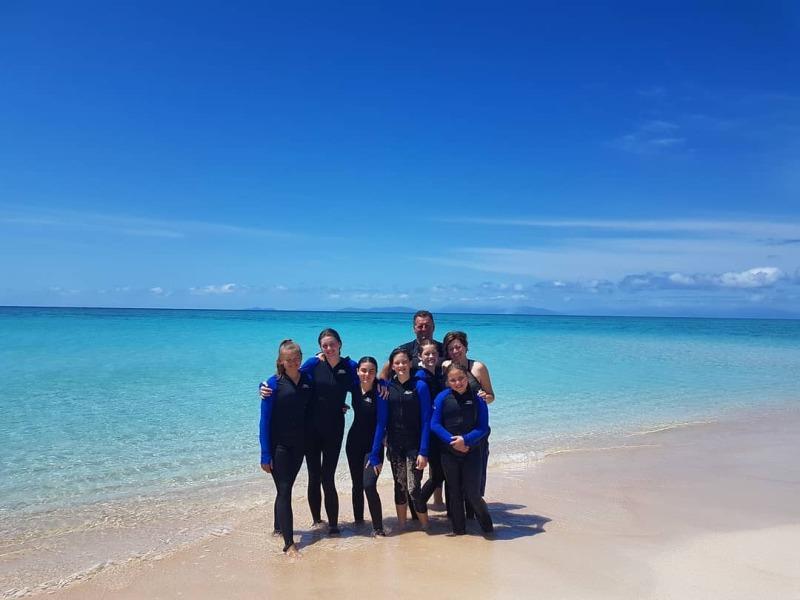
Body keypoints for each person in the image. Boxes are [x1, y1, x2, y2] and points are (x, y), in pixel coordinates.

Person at [259, 328, 357, 535]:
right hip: (310, 430)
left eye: (332, 344)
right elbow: (288, 376)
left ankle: (333, 525)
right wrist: (263, 386)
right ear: (320, 347)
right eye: (324, 345)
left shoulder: (349, 367)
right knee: (314, 475)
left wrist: (384, 386)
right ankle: (316, 520)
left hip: (334, 429)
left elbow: (367, 378)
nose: (329, 348)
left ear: (340, 344)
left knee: (328, 477)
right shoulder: (313, 365)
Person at [259, 339, 314, 556]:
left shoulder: (307, 379)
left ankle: (277, 528)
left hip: (299, 445)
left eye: (296, 358)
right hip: (278, 446)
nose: (293, 362)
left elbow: (316, 402)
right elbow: (264, 421)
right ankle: (289, 544)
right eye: (288, 359)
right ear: (281, 361)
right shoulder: (272, 385)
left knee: (286, 487)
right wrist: (265, 454)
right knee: (284, 490)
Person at [371, 347, 432, 531]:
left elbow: (426, 420)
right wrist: (375, 452)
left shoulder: (420, 386)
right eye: (397, 363)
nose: (401, 365)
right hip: (395, 445)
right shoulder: (386, 388)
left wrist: (424, 451)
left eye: (404, 362)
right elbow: (381, 421)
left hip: (415, 445)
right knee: (400, 486)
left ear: (410, 363)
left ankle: (426, 527)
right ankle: (402, 528)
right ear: (392, 366)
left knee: (414, 488)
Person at [431, 362, 493, 535]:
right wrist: (453, 442)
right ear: (447, 381)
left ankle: (488, 528)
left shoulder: (478, 398)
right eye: (453, 380)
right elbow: (434, 424)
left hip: (472, 451)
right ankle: (459, 531)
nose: (458, 383)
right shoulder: (442, 397)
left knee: (473, 493)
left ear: (467, 378)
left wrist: (465, 440)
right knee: (455, 492)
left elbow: (483, 427)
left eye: (461, 378)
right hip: (449, 452)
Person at [440, 330, 495, 498]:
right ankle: (455, 512)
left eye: (458, 347)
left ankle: (475, 509)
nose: (455, 351)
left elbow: (491, 396)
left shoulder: (478, 368)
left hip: (476, 429)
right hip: (453, 431)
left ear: (465, 347)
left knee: (476, 477)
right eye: (450, 348)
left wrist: (484, 398)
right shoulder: (445, 367)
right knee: (454, 481)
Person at [345, 356, 389, 536]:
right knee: (356, 484)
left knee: (369, 485)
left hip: (374, 446)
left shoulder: (380, 391)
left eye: (371, 371)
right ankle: (359, 524)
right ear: (357, 371)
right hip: (353, 443)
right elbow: (331, 388)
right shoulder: (354, 386)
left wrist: (375, 454)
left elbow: (381, 423)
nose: (367, 374)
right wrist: (321, 356)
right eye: (363, 370)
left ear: (376, 372)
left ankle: (378, 529)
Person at [415, 339, 446, 509]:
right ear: (420, 356)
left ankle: (419, 506)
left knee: (439, 472)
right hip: (426, 430)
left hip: (440, 429)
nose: (431, 356)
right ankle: (419, 504)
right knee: (435, 474)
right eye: (426, 354)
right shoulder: (420, 377)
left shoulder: (439, 375)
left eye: (434, 353)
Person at [380, 310, 444, 378]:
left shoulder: (443, 349)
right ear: (414, 329)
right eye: (420, 326)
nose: (424, 329)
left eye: (427, 326)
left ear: (433, 327)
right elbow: (386, 370)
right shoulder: (404, 350)